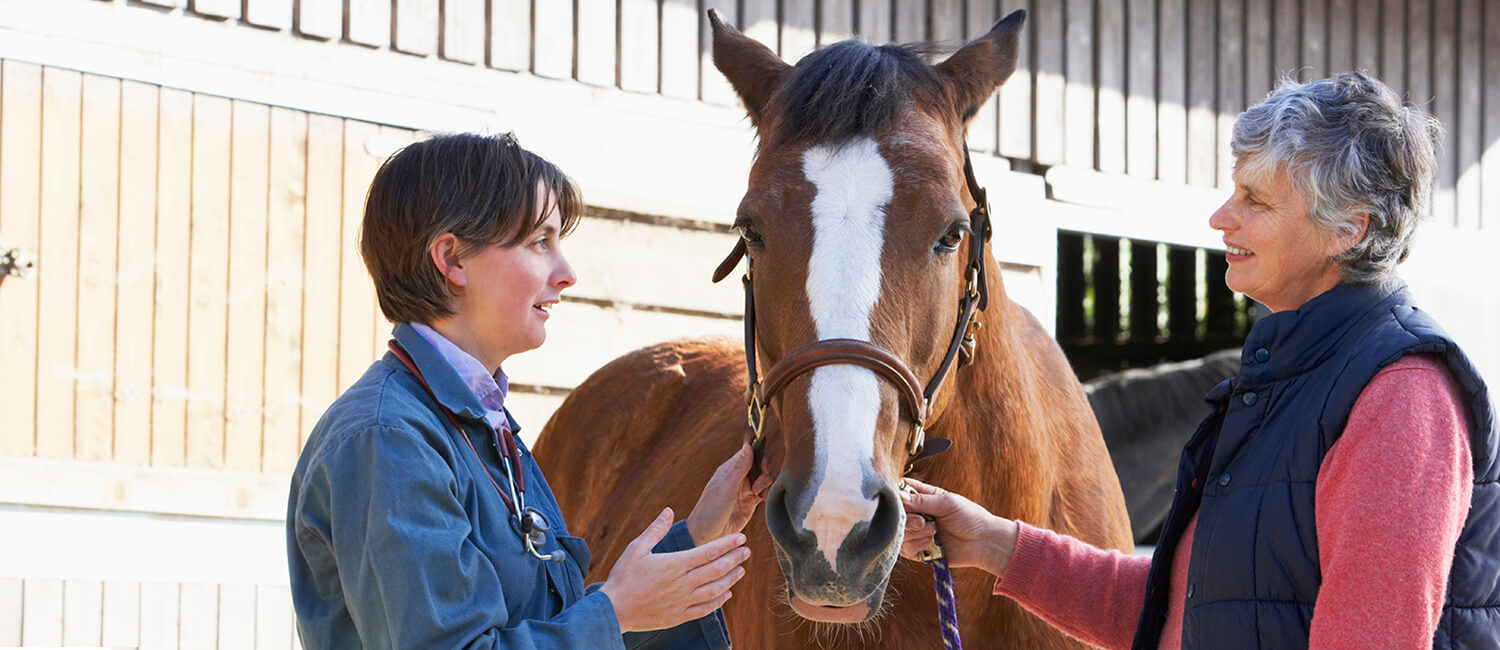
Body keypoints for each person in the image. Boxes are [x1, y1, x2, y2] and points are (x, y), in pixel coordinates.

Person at [901, 72, 1498, 649]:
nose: (1220, 218)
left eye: (1256, 201)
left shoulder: (1401, 399)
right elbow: (1188, 609)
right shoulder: (1292, 379)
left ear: (1348, 230)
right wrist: (990, 542)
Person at [286, 132, 772, 649]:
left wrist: (697, 536)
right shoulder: (388, 441)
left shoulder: (479, 422)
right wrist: (616, 611)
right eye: (540, 242)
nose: (566, 274)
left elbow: (541, 624)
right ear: (452, 260)